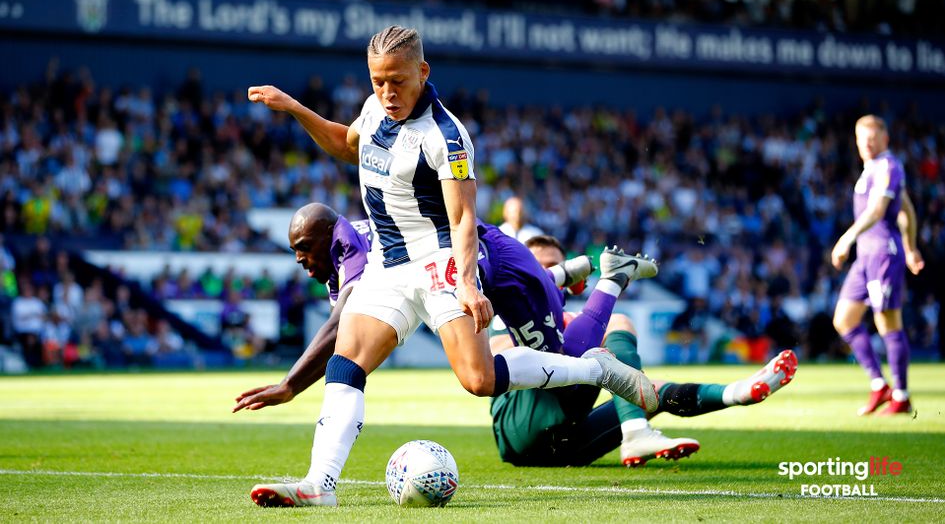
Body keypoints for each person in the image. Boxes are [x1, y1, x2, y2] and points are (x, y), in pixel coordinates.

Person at [241, 26, 656, 507]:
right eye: (378, 81)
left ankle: (592, 369)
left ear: (423, 72)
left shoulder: (446, 136)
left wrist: (468, 283)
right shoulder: (373, 110)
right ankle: (320, 484)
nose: (387, 92)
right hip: (388, 264)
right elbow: (346, 144)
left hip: (439, 258)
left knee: (478, 380)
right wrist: (294, 108)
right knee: (346, 362)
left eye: (397, 81)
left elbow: (462, 218)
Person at [489, 236, 797, 467]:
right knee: (616, 323)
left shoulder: (576, 323)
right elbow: (499, 356)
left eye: (554, 266)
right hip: (521, 426)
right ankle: (636, 430)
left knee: (645, 392)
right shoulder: (510, 314)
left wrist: (735, 393)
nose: (549, 274)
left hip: (566, 445)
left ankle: (735, 393)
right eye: (541, 267)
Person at [831, 115, 924, 416]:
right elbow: (906, 209)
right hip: (865, 256)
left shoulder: (889, 166)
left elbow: (879, 210)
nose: (867, 144)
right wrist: (912, 247)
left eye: (872, 138)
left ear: (885, 139)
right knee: (844, 320)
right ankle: (879, 385)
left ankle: (901, 395)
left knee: (888, 323)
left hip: (883, 253)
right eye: (862, 139)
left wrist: (846, 238)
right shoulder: (871, 169)